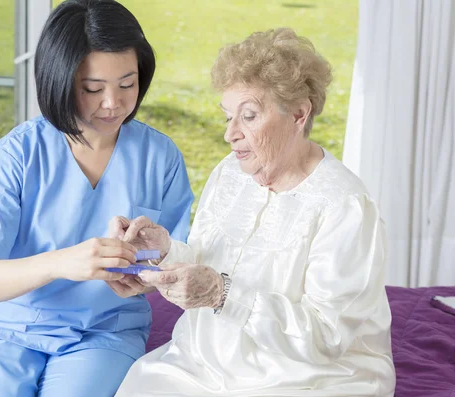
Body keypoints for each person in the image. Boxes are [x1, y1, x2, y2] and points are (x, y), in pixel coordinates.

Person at [113, 28, 396, 396]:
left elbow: (327, 335)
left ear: (298, 114)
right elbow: (206, 264)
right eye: (228, 116)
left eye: (248, 116)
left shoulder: (344, 205)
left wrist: (222, 294)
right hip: (204, 365)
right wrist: (162, 251)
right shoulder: (230, 172)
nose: (230, 134)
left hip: (304, 379)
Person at [0, 1, 193, 396]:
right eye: (93, 89)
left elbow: (182, 257)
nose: (112, 103)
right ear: (59, 80)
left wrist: (149, 273)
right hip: (2, 330)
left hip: (104, 333)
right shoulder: (16, 156)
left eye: (127, 84)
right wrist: (63, 262)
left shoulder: (159, 157)